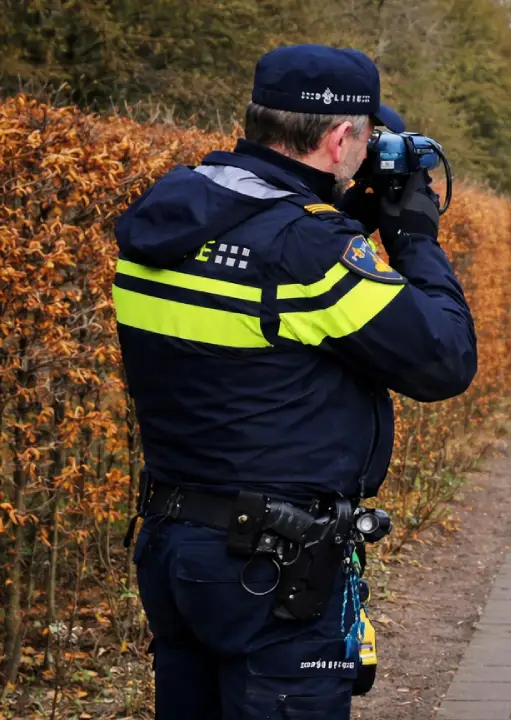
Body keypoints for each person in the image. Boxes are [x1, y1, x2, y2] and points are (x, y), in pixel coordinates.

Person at [112, 43, 477, 718]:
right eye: (366, 142)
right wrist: (415, 236)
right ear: (340, 138)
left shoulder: (167, 214)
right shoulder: (311, 253)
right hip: (271, 569)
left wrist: (347, 218)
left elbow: (258, 308)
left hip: (173, 547)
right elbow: (445, 359)